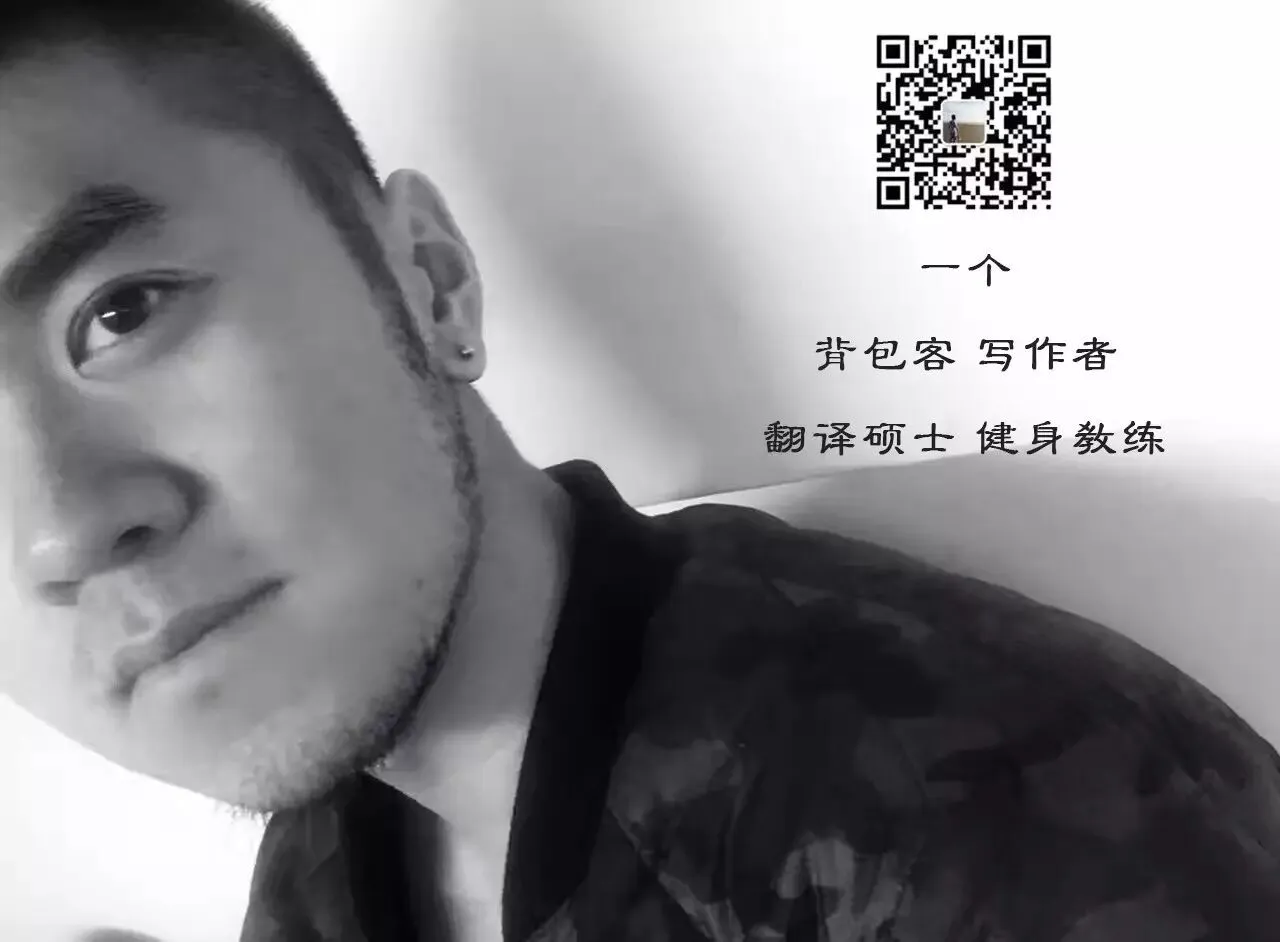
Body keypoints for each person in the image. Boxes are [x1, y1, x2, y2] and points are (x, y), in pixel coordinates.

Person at [2, 2, 1279, 940]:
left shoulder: (981, 813)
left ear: (427, 280)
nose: (58, 529)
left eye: (123, 312)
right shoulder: (323, 866)